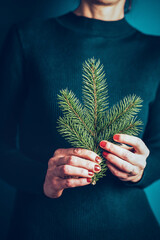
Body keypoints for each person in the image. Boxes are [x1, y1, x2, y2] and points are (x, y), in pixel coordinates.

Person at [0, 0, 160, 239]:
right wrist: (41, 177)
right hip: (41, 228)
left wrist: (140, 170)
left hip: (132, 229)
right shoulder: (27, 37)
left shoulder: (155, 52)